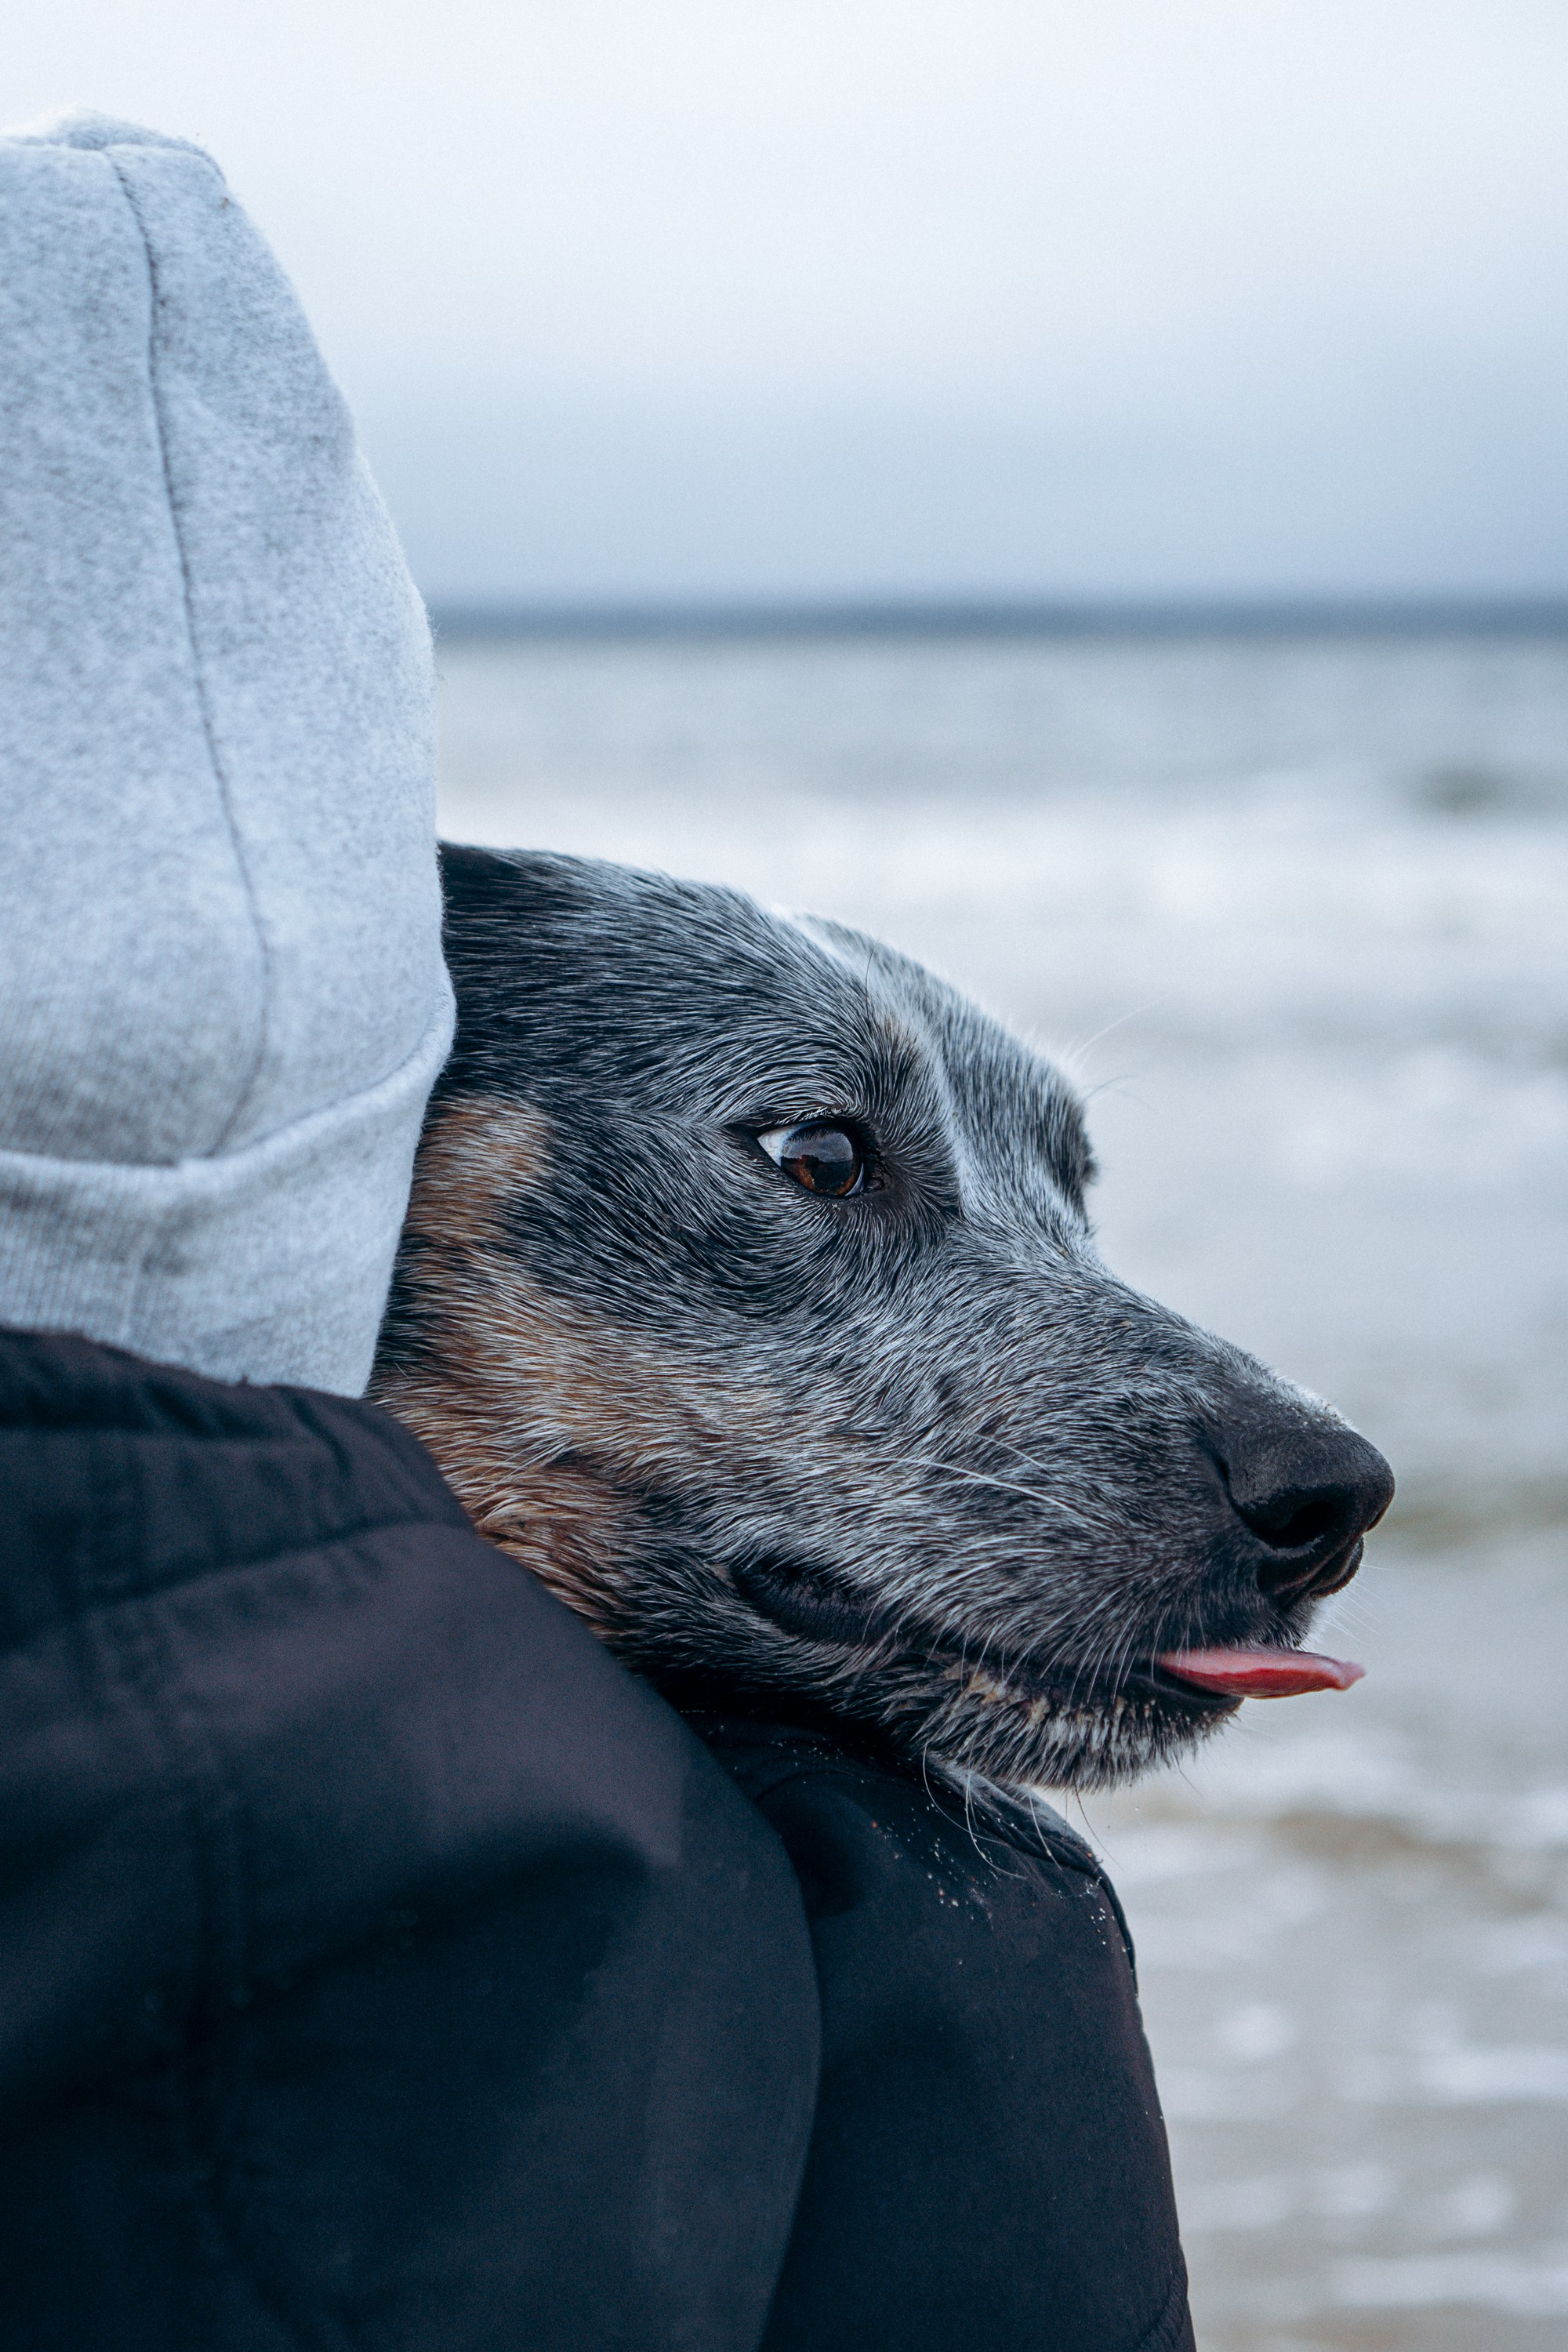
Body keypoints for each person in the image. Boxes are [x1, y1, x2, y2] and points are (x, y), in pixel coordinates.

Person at [0, 111, 1193, 2352]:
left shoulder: (886, 1938)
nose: (1281, 1453)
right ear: (346, 1120)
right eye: (814, 1164)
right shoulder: (903, 1948)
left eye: (1051, 1195)